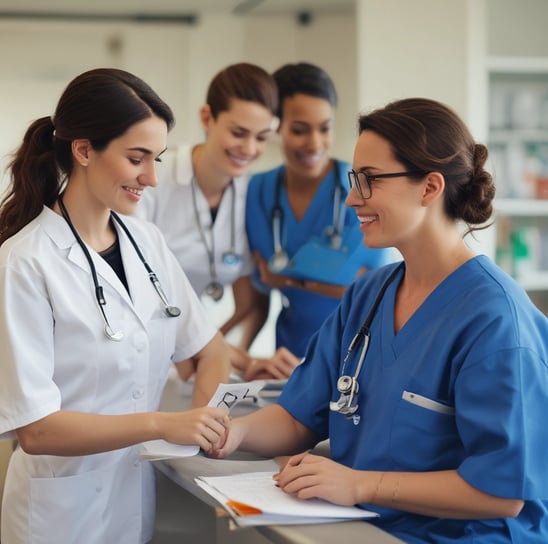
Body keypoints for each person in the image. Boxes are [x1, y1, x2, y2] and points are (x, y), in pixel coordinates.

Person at [212, 98, 548, 543]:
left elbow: (501, 494)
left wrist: (359, 484)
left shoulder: (495, 319)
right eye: (354, 180)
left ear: (429, 188)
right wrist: (226, 433)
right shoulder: (369, 295)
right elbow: (297, 419)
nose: (352, 198)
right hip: (368, 526)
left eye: (369, 181)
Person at [0, 68, 231, 543]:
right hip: (59, 514)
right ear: (84, 150)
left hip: (133, 501)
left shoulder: (147, 241)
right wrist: (164, 424)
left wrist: (205, 423)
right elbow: (37, 430)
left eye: (157, 159)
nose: (150, 177)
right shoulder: (25, 262)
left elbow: (211, 350)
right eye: (136, 158)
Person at [137, 63, 300, 381]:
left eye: (262, 137)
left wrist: (231, 358)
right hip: (142, 350)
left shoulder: (252, 195)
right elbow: (149, 299)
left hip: (193, 360)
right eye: (238, 133)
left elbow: (250, 305)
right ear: (207, 118)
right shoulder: (154, 180)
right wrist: (230, 358)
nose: (249, 149)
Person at [245, 62, 391, 358]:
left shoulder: (361, 188)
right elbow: (257, 292)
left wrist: (286, 280)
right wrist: (236, 361)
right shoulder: (256, 191)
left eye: (325, 128)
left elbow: (367, 287)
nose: (314, 143)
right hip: (288, 353)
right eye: (299, 130)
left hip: (359, 349)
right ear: (276, 127)